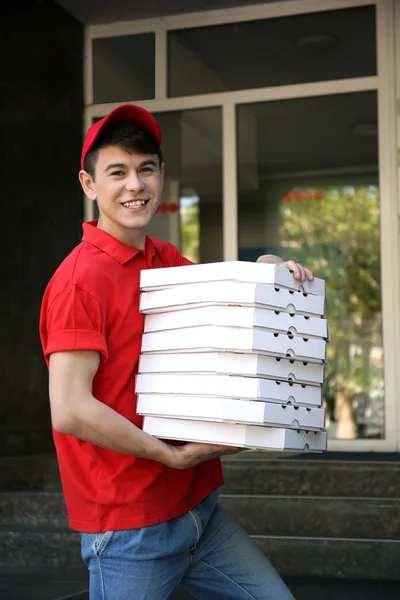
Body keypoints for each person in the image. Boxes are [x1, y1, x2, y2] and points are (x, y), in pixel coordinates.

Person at [39, 104, 313, 600]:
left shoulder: (164, 260)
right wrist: (168, 455)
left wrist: (266, 275)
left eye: (146, 169)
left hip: (199, 514)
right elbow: (70, 409)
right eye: (117, 172)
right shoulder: (79, 282)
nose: (134, 185)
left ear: (162, 175)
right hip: (130, 528)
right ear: (88, 184)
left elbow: (220, 307)